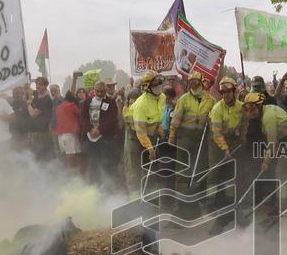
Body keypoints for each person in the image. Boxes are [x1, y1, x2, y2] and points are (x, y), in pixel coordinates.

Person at [168, 72, 215, 212]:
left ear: (202, 83)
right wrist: (171, 136)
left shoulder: (210, 100)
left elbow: (215, 119)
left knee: (201, 169)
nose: (194, 85)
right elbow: (175, 120)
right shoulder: (183, 100)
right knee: (183, 171)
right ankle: (181, 201)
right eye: (191, 82)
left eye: (196, 82)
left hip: (202, 140)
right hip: (185, 139)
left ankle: (200, 200)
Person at [124, 71, 165, 201]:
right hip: (135, 138)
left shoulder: (162, 97)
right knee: (135, 173)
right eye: (155, 84)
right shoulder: (141, 104)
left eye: (160, 82)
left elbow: (158, 115)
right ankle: (135, 202)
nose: (159, 85)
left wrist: (159, 128)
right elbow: (140, 132)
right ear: (147, 87)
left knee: (150, 171)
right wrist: (150, 149)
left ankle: (151, 201)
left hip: (150, 137)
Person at [207, 77, 247, 210]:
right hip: (216, 142)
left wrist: (242, 139)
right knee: (215, 172)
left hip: (233, 140)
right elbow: (216, 133)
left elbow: (244, 125)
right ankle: (211, 202)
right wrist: (225, 149)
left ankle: (230, 200)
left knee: (231, 171)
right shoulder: (217, 109)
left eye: (229, 91)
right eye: (223, 92)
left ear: (234, 91)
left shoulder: (242, 107)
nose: (226, 94)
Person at [80, 80, 120, 189]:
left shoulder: (111, 102)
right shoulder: (87, 101)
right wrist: (90, 129)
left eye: (102, 91)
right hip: (91, 137)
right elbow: (83, 116)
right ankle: (94, 185)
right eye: (97, 91)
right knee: (93, 162)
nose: (100, 93)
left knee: (107, 162)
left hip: (105, 137)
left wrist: (100, 130)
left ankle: (108, 185)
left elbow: (112, 119)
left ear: (105, 91)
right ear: (94, 90)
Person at [53, 91, 83, 173]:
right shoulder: (72, 106)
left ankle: (78, 175)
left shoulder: (59, 107)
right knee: (70, 159)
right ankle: (70, 176)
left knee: (77, 155)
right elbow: (80, 116)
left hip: (60, 136)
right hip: (69, 135)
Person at [27, 77, 55, 162]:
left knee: (43, 157)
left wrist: (28, 104)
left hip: (43, 133)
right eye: (36, 84)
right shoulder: (36, 94)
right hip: (34, 132)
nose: (37, 86)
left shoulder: (46, 99)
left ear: (46, 85)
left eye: (40, 84)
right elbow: (29, 90)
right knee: (34, 157)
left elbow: (33, 114)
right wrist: (27, 79)